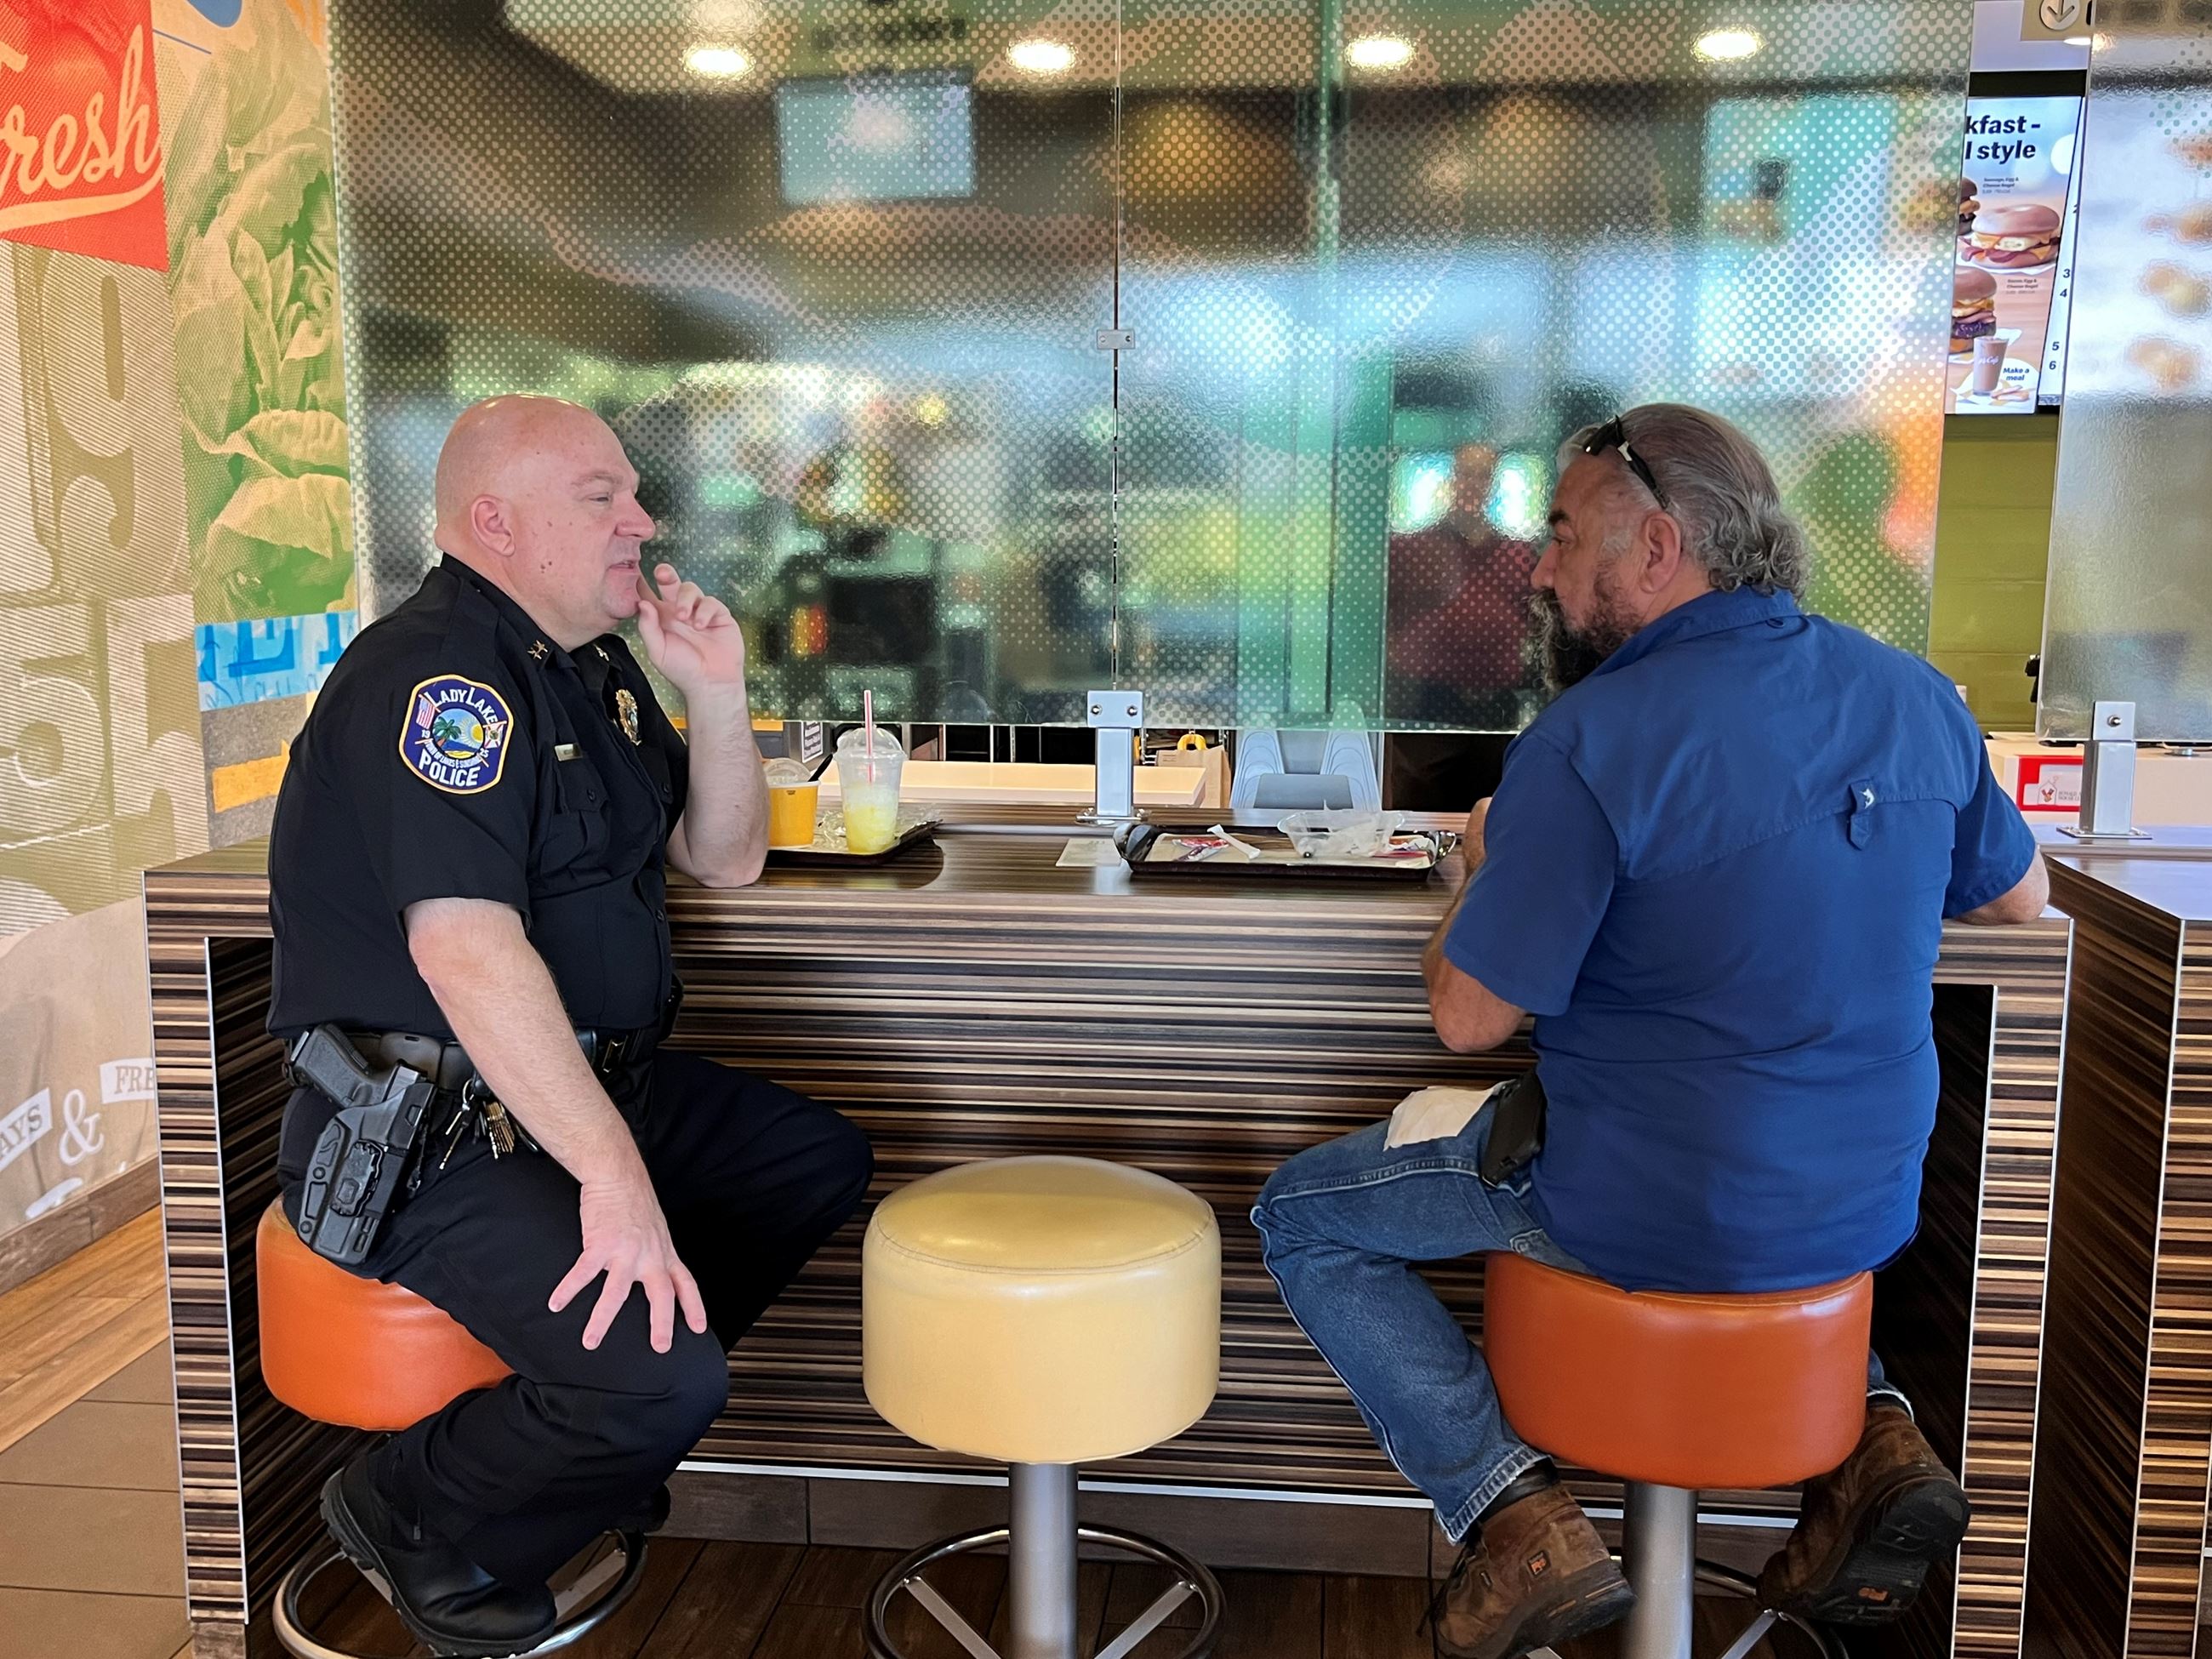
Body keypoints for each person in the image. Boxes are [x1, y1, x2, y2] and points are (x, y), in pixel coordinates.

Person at [1251, 404, 2046, 1659]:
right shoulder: (1913, 696)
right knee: (1761, 1190)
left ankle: (1512, 1517)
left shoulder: (1589, 743)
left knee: (1300, 1216)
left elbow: (1467, 1019)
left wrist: (1479, 872)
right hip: (1865, 1200)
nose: (1540, 568)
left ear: (1661, 546)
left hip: (1642, 1208)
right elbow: (2021, 899)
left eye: (1566, 535)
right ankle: (1876, 1437)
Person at [265, 396, 872, 1658]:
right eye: (604, 497)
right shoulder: (437, 680)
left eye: (633, 494)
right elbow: (464, 948)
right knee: (661, 1376)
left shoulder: (588, 666)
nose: (642, 521)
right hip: (430, 1134)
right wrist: (613, 1177)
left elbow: (725, 856)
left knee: (810, 1159)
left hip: (577, 1093)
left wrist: (716, 690)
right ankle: (410, 1504)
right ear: (497, 521)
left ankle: (593, 1447)